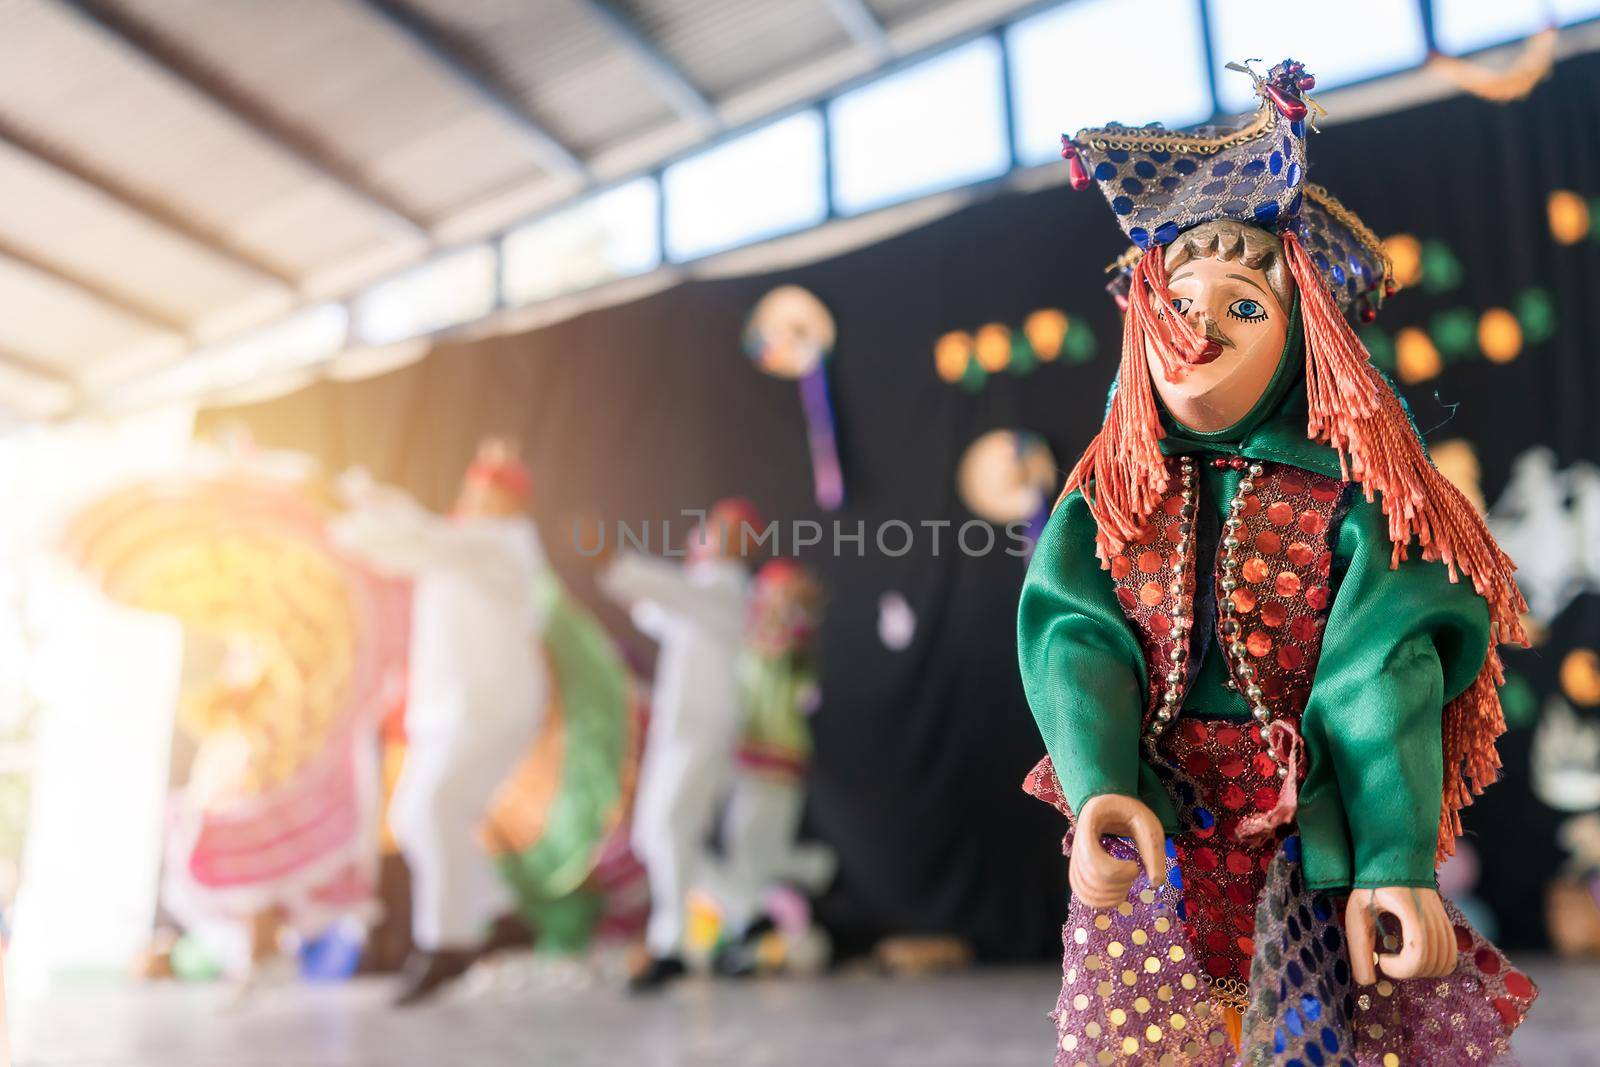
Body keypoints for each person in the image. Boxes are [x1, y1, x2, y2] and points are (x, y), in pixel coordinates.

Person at [1018, 59, 1537, 1063]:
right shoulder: (1112, 495)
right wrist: (1098, 782)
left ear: (1305, 339)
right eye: (1177, 303)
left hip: (1308, 839)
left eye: (1243, 308)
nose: (1199, 331)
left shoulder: (1351, 502)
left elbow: (1380, 674)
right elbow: (1073, 637)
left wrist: (1391, 858)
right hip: (1159, 823)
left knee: (1317, 1037)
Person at [333, 439, 549, 1006]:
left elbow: (424, 539)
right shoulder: (463, 543)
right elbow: (408, 545)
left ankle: (450, 943)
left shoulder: (503, 544)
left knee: (432, 810)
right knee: (413, 816)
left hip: (488, 708)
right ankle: (497, 912)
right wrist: (364, 505)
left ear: (513, 502)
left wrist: (354, 507)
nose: (477, 498)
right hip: (451, 710)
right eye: (474, 488)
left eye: (490, 491)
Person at [599, 498, 761, 991]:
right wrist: (628, 584)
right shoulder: (704, 594)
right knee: (660, 837)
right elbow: (661, 610)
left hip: (703, 732)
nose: (705, 537)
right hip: (682, 731)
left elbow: (668, 593)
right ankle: (749, 913)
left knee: (669, 829)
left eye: (720, 531)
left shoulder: (728, 588)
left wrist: (614, 563)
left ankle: (671, 945)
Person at [710, 559, 835, 976]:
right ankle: (752, 930)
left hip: (777, 757)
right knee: (747, 852)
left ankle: (814, 868)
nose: (768, 601)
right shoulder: (751, 639)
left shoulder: (790, 640)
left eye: (776, 593)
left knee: (751, 847)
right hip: (753, 756)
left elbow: (792, 657)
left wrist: (791, 607)